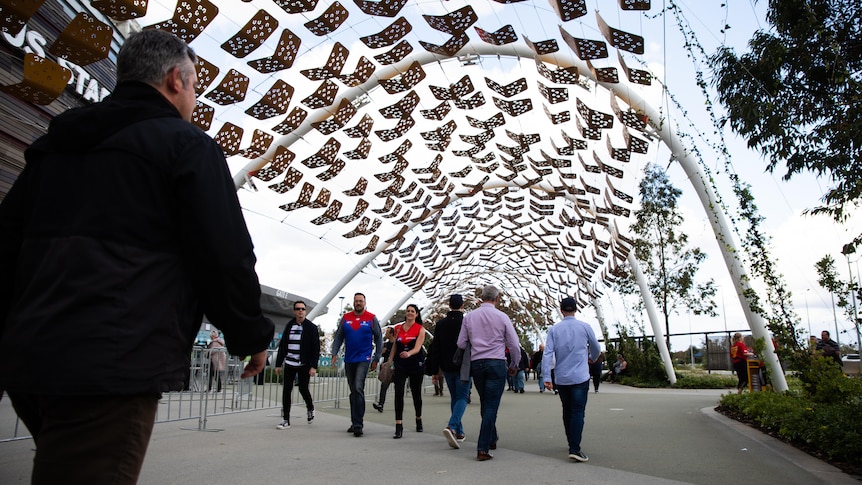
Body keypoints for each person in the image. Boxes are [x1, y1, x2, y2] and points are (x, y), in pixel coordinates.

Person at [0, 29, 275, 484]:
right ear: (174, 80)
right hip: (111, 360)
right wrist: (251, 333)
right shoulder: (185, 146)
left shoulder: (54, 149)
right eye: (193, 87)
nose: (192, 99)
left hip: (31, 356)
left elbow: (8, 249)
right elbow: (224, 255)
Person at [457, 285, 520, 461]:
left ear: (481, 297)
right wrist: (514, 363)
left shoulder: (469, 317)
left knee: (486, 402)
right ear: (497, 298)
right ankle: (482, 448)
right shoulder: (502, 317)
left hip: (477, 364)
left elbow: (461, 343)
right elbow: (514, 344)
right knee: (491, 405)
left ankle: (491, 438)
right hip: (496, 362)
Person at [543, 297, 600, 462]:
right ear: (576, 310)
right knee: (577, 411)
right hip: (580, 376)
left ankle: (571, 441)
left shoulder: (554, 330)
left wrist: (547, 376)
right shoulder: (585, 327)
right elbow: (596, 346)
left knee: (567, 410)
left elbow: (548, 353)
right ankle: (575, 447)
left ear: (561, 310)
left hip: (562, 377)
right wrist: (592, 357)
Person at [331, 292, 382, 437]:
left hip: (363, 359)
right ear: (353, 303)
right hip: (349, 359)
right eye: (356, 301)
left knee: (358, 387)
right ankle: (354, 422)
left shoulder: (371, 318)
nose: (358, 303)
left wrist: (376, 358)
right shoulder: (346, 318)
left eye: (361, 301)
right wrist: (334, 354)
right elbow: (339, 337)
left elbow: (379, 339)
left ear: (365, 303)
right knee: (353, 391)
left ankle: (359, 424)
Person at [427, 293, 470, 449]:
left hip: (446, 366)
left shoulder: (441, 324)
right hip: (463, 365)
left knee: (455, 397)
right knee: (463, 397)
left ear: (449, 305)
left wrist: (434, 369)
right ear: (462, 305)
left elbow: (436, 348)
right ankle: (452, 426)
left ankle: (459, 431)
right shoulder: (466, 322)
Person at [274, 301, 321, 429]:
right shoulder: (289, 325)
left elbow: (316, 349)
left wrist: (313, 366)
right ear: (294, 311)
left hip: (304, 364)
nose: (300, 311)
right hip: (289, 363)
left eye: (303, 309)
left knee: (303, 388)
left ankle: (310, 407)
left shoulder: (311, 327)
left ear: (305, 311)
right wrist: (278, 364)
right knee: (286, 390)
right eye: (298, 309)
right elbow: (283, 345)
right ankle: (286, 419)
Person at [388, 303, 427, 438]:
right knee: (398, 392)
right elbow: (394, 347)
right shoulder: (398, 328)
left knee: (416, 393)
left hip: (415, 364)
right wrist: (389, 361)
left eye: (412, 311)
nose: (410, 313)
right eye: (408, 311)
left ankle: (418, 418)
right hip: (400, 365)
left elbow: (417, 347)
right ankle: (399, 425)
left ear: (416, 314)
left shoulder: (419, 329)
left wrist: (409, 353)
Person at [373, 326, 395, 412]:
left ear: (391, 334)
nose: (385, 334)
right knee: (384, 386)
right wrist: (382, 352)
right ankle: (381, 404)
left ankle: (399, 405)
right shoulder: (385, 344)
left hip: (396, 368)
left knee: (399, 388)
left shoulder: (396, 344)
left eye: (387, 332)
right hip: (387, 370)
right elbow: (378, 353)